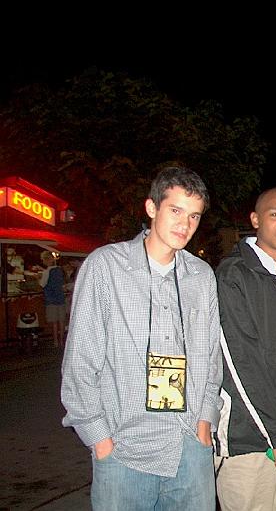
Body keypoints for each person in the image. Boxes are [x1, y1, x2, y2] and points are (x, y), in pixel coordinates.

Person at [60, 166, 223, 510]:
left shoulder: (201, 276)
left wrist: (204, 423)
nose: (185, 224)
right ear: (151, 207)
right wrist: (100, 440)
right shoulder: (106, 267)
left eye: (194, 216)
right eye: (175, 210)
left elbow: (211, 358)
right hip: (124, 450)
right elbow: (80, 362)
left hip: (188, 444)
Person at [214, 186, 276, 511]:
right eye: (275, 214)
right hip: (249, 438)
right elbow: (240, 363)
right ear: (255, 219)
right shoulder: (232, 275)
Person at [39, 250, 66, 348]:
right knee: (62, 321)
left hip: (51, 299)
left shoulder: (47, 271)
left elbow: (42, 284)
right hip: (61, 298)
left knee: (54, 322)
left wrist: (38, 278)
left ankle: (55, 342)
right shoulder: (60, 270)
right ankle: (62, 341)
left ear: (46, 260)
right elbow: (63, 284)